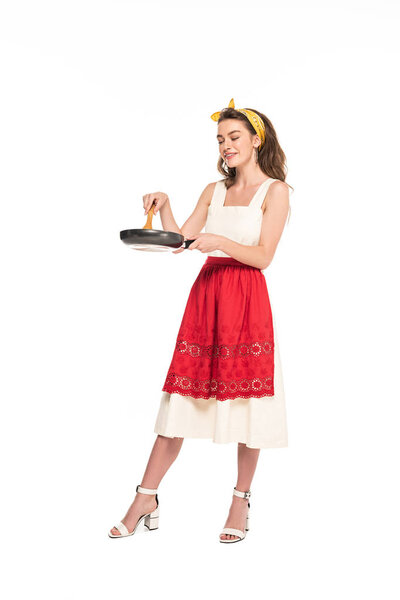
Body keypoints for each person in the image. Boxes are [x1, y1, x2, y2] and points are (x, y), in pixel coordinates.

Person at [109, 98, 293, 543]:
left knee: (249, 404)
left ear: (256, 139)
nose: (226, 146)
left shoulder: (276, 191)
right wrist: (167, 204)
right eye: (220, 139)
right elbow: (182, 240)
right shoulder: (214, 190)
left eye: (233, 137)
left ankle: (240, 501)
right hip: (208, 296)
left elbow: (263, 257)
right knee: (180, 399)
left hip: (246, 299)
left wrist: (221, 241)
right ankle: (145, 496)